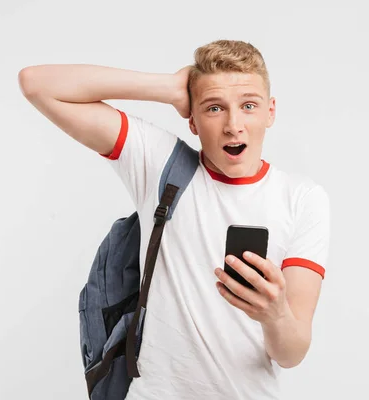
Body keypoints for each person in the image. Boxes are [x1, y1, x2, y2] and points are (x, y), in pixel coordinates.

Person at [18, 39, 330, 400]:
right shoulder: (159, 163)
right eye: (214, 108)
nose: (233, 125)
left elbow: (291, 354)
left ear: (270, 112)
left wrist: (275, 315)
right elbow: (36, 83)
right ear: (192, 121)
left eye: (248, 106)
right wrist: (168, 87)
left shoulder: (303, 199)